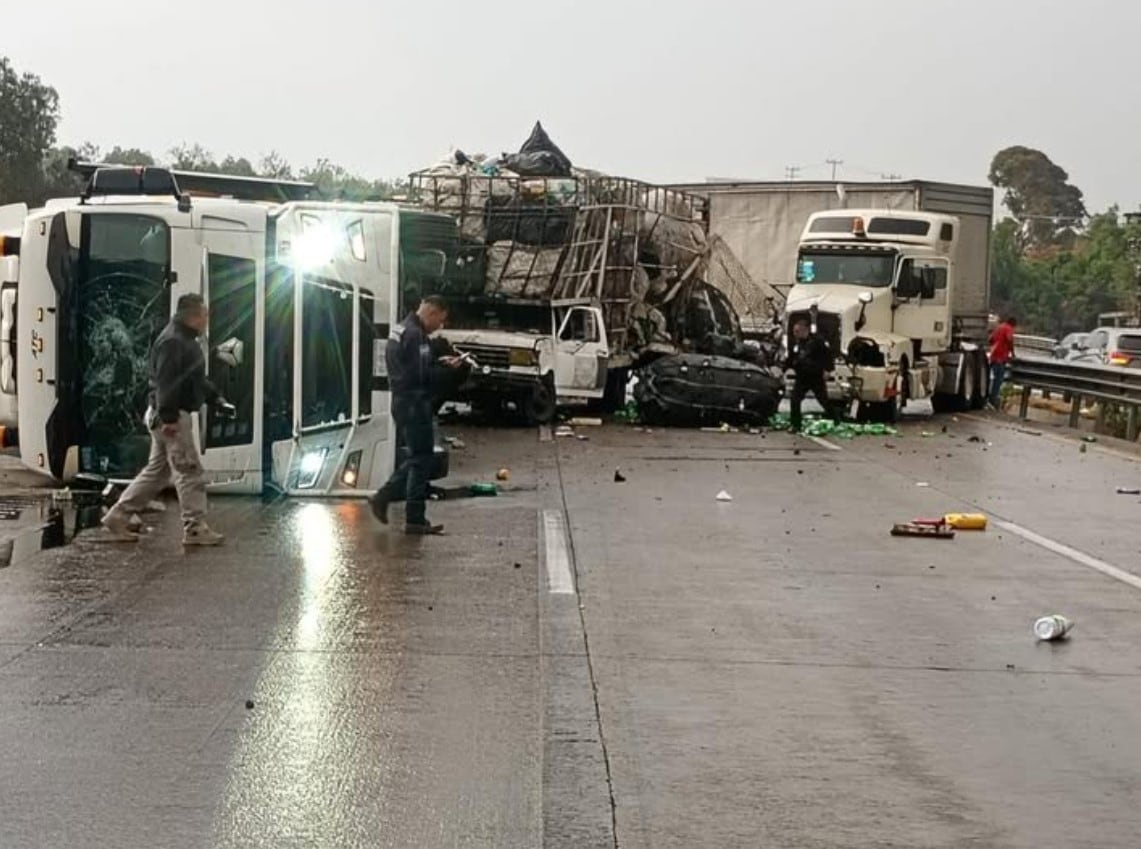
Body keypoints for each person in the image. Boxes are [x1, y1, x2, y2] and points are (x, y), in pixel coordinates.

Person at [101, 294, 234, 545]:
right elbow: (167, 382)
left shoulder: (181, 339)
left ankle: (118, 515)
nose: (207, 321)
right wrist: (170, 417)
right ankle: (195, 527)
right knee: (188, 470)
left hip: (164, 414)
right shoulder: (174, 342)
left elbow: (192, 378)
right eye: (204, 316)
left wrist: (216, 399)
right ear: (193, 316)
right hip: (171, 417)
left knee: (157, 472)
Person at [369, 295, 462, 535]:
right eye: (439, 321)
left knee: (417, 457)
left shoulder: (400, 329)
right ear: (432, 312)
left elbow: (413, 365)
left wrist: (436, 359)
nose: (438, 327)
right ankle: (395, 504)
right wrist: (447, 368)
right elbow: (422, 375)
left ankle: (410, 515)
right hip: (414, 401)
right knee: (421, 459)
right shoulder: (416, 335)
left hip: (401, 400)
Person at [785, 318, 837, 433]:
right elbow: (791, 359)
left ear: (805, 330)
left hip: (815, 376)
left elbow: (827, 356)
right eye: (794, 332)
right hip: (802, 377)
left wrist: (828, 370)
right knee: (795, 399)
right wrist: (784, 368)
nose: (795, 334)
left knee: (823, 400)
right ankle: (795, 425)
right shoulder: (796, 343)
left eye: (797, 332)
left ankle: (836, 420)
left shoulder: (817, 341)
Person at [987, 315, 1017, 409]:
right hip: (1001, 358)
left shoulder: (999, 327)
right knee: (998, 380)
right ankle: (992, 400)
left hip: (993, 356)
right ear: (1013, 324)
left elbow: (990, 339)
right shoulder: (1009, 328)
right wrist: (1012, 352)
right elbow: (1009, 339)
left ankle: (987, 398)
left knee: (990, 378)